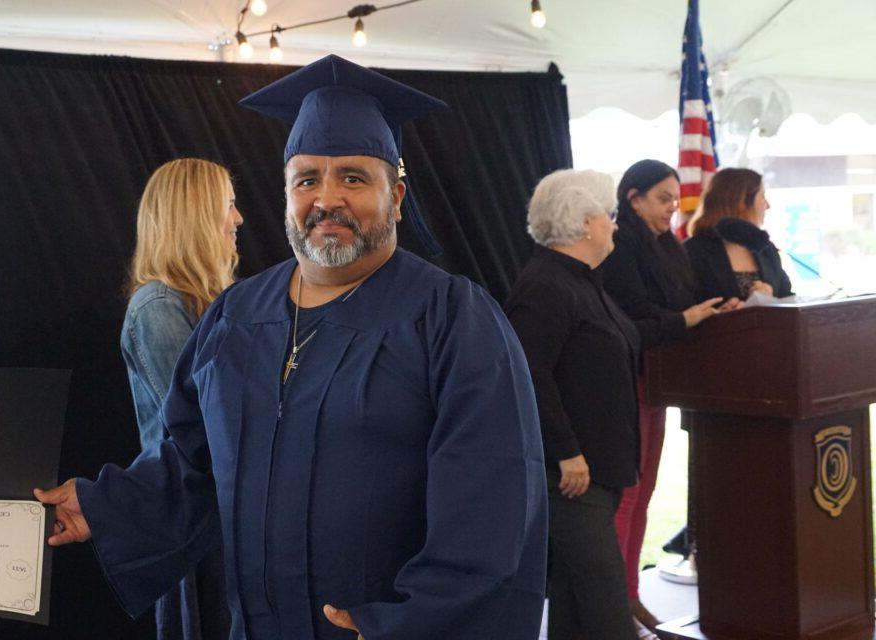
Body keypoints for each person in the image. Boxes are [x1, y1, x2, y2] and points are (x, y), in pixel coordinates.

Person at [36, 55, 548, 640]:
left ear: (397, 196)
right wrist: (105, 505)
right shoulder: (235, 317)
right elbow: (190, 461)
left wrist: (408, 623)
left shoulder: (452, 318)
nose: (327, 199)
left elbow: (494, 498)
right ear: (286, 194)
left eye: (353, 177)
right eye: (307, 179)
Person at [505, 169, 646, 640]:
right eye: (609, 216)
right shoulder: (546, 284)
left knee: (575, 599)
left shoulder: (583, 281)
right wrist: (565, 450)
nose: (614, 226)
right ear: (585, 222)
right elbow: (527, 374)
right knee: (606, 605)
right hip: (569, 474)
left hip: (595, 470)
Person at [599, 159, 732, 629]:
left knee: (646, 492)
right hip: (624, 381)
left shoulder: (666, 248)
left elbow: (679, 304)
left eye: (675, 200)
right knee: (629, 494)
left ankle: (630, 593)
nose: (672, 209)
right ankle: (614, 602)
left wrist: (722, 306)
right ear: (632, 198)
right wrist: (687, 319)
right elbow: (635, 319)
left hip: (655, 383)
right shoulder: (618, 246)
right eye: (662, 199)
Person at [121, 158, 242, 640]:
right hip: (193, 526)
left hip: (221, 521)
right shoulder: (158, 307)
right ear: (195, 214)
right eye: (228, 205)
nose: (238, 219)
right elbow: (207, 431)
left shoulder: (212, 305)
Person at [685, 167, 793, 303]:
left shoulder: (765, 248)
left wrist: (769, 297)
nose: (768, 205)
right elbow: (686, 309)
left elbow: (788, 299)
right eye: (762, 196)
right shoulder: (692, 251)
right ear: (742, 203)